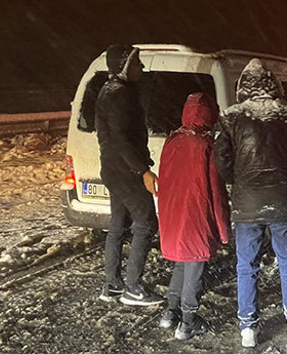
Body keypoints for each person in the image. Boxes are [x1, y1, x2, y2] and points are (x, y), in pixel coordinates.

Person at [214, 59, 287, 348]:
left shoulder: (231, 118)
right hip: (283, 201)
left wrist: (240, 179)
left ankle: (249, 328)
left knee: (247, 266)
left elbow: (221, 160)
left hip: (247, 203)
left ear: (242, 87)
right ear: (274, 85)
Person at [157, 93, 231, 340]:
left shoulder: (172, 142)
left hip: (174, 218)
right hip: (197, 219)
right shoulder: (207, 146)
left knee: (181, 264)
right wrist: (223, 230)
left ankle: (169, 313)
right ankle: (187, 323)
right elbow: (216, 192)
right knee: (195, 269)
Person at [95, 44, 162, 306]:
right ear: (124, 65)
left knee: (118, 225)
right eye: (137, 63)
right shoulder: (121, 94)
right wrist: (143, 170)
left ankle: (112, 284)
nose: (141, 68)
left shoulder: (107, 90)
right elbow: (123, 139)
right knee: (146, 223)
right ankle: (133, 288)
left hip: (112, 169)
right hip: (126, 172)